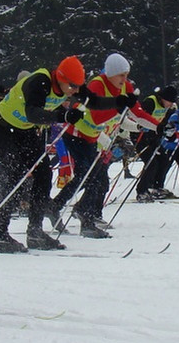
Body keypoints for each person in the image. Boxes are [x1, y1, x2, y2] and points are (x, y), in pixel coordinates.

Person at [0, 57, 113, 252]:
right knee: (14, 175)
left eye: (78, 86)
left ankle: (35, 231)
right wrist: (63, 116)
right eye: (72, 85)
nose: (75, 90)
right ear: (60, 77)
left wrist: (121, 102)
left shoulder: (71, 86)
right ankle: (0, 234)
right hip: (1, 126)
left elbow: (93, 101)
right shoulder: (40, 81)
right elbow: (33, 114)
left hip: (24, 130)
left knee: (44, 173)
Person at [53, 53, 141, 237]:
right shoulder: (97, 89)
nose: (123, 82)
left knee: (93, 178)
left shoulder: (119, 92)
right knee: (91, 177)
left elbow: (118, 120)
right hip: (78, 135)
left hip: (93, 139)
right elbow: (92, 118)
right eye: (120, 77)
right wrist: (104, 139)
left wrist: (140, 125)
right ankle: (84, 217)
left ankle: (60, 207)